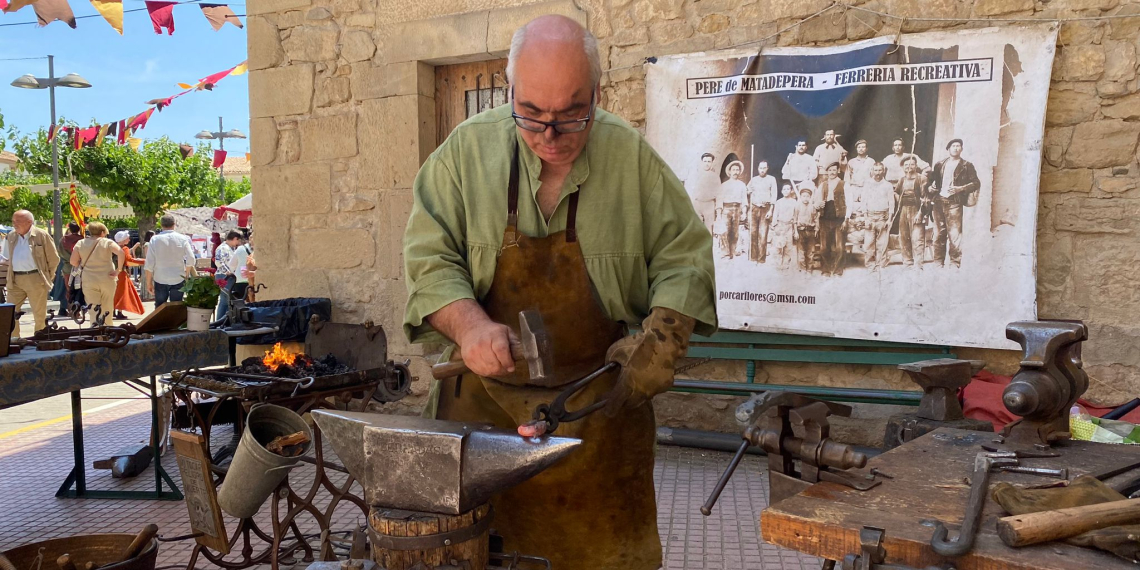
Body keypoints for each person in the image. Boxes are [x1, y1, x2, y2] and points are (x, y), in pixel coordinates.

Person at [402, 15, 716, 570]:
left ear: (598, 91)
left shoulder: (630, 160)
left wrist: (662, 339)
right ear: (509, 89)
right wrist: (470, 326)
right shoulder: (465, 154)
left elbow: (684, 259)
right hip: (480, 423)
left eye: (572, 115)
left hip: (596, 419)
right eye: (532, 115)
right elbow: (429, 259)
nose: (550, 135)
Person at [2, 210, 60, 337]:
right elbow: (7, 257)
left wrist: (47, 277)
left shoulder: (41, 235)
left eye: (18, 221)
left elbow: (54, 259)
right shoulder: (11, 236)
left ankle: (39, 339)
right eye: (13, 221)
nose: (14, 224)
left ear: (29, 222)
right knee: (11, 312)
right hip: (15, 279)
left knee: (39, 313)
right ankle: (14, 340)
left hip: (35, 278)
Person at [928, 138, 980, 268]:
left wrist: (960, 188)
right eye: (953, 146)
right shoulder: (939, 164)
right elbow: (932, 182)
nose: (956, 148)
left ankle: (954, 264)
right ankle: (938, 263)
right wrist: (931, 188)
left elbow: (976, 183)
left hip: (954, 203)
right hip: (939, 201)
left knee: (954, 235)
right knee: (939, 234)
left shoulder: (967, 165)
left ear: (961, 149)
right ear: (948, 149)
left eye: (958, 146)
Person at [70, 222, 122, 325]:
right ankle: (108, 329)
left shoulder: (81, 243)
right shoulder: (107, 242)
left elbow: (73, 261)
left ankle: (95, 330)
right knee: (107, 305)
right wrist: (118, 270)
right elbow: (121, 252)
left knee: (93, 307)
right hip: (107, 278)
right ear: (102, 232)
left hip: (89, 279)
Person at [144, 215, 196, 307]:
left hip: (160, 277)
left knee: (159, 307)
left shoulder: (155, 239)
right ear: (174, 224)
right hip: (178, 276)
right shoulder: (183, 238)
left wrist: (148, 282)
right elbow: (191, 258)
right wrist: (187, 272)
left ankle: (161, 322)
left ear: (161, 225)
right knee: (176, 307)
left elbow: (149, 263)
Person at [895, 155, 928, 270]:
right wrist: (898, 200)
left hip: (916, 210)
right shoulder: (902, 179)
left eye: (912, 164)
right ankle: (907, 263)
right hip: (904, 210)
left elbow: (926, 198)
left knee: (917, 238)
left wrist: (920, 213)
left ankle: (918, 265)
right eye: (906, 165)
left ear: (916, 166)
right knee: (904, 237)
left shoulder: (921, 178)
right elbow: (896, 192)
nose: (909, 167)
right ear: (903, 167)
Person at [861, 163, 895, 271]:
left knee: (882, 243)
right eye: (875, 170)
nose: (878, 173)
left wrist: (889, 219)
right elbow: (864, 201)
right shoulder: (867, 183)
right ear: (872, 171)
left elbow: (891, 202)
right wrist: (866, 217)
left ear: (883, 171)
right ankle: (870, 265)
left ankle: (881, 264)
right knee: (869, 243)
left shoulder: (888, 185)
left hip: (882, 217)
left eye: (880, 170)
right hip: (870, 216)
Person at [816, 162, 847, 276]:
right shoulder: (822, 185)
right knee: (824, 248)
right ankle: (826, 269)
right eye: (830, 170)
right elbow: (816, 201)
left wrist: (846, 219)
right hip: (825, 219)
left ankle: (838, 269)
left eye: (834, 170)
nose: (832, 172)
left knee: (839, 247)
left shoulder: (844, 184)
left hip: (839, 219)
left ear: (838, 171)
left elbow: (849, 203)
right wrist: (818, 204)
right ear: (827, 172)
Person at [746, 160, 777, 263]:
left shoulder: (772, 179)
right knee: (753, 233)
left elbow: (774, 195)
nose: (762, 170)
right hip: (754, 208)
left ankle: (761, 259)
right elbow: (747, 190)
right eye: (760, 168)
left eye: (764, 168)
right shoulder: (753, 179)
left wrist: (771, 210)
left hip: (765, 209)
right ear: (758, 168)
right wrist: (748, 191)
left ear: (767, 168)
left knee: (763, 234)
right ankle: (753, 258)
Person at [111, 231, 145, 319]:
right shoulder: (124, 249)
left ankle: (112, 310)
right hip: (121, 273)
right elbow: (129, 260)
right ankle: (119, 311)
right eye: (127, 238)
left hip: (111, 272)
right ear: (123, 239)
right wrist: (144, 261)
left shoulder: (111, 247)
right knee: (122, 293)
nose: (129, 239)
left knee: (113, 292)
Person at [686, 152, 720, 235]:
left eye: (709, 161)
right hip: (697, 203)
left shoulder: (715, 176)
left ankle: (708, 247)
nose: (707, 164)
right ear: (702, 162)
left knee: (709, 229)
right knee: (696, 228)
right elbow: (690, 188)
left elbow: (719, 193)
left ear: (712, 163)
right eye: (705, 161)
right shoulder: (695, 175)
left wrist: (718, 209)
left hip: (709, 205)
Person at [719, 160, 747, 259]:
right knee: (725, 230)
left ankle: (733, 250)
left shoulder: (742, 185)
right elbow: (720, 199)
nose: (735, 172)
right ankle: (725, 252)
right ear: (729, 172)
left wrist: (744, 212)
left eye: (737, 170)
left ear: (739, 172)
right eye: (733, 170)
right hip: (726, 209)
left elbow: (744, 199)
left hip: (737, 209)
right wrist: (719, 213)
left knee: (735, 232)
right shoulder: (724, 185)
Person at [214, 230, 243, 321]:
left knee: (227, 300)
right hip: (224, 276)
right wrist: (228, 272)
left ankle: (224, 320)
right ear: (235, 239)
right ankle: (220, 321)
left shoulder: (230, 248)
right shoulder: (222, 248)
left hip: (228, 276)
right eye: (238, 241)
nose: (238, 243)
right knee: (224, 300)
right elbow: (218, 262)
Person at [53, 222, 83, 305]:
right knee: (80, 289)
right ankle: (78, 309)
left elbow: (60, 252)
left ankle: (70, 308)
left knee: (69, 289)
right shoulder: (83, 240)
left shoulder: (63, 240)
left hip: (67, 266)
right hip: (81, 267)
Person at [769, 184, 798, 270]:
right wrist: (774, 225)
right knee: (778, 246)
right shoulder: (779, 202)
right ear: (781, 191)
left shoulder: (794, 202)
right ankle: (778, 264)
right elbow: (775, 214)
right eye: (784, 189)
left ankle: (785, 265)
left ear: (791, 190)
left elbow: (795, 215)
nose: (786, 191)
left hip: (789, 226)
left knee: (788, 247)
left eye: (788, 189)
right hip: (780, 225)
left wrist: (794, 227)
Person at [794, 187, 819, 273]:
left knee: (810, 251)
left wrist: (816, 230)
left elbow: (816, 219)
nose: (805, 198)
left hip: (810, 231)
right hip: (800, 231)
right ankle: (803, 268)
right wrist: (796, 232)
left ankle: (809, 269)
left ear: (810, 197)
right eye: (803, 196)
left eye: (807, 196)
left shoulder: (813, 207)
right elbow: (794, 220)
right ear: (800, 197)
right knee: (801, 251)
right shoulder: (797, 207)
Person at [845, 140, 875, 208]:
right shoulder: (851, 162)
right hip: (854, 188)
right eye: (859, 147)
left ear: (866, 149)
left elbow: (873, 177)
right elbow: (847, 178)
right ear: (856, 149)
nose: (861, 149)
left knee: (866, 207)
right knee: (854, 208)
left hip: (867, 188)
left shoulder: (871, 161)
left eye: (863, 147)